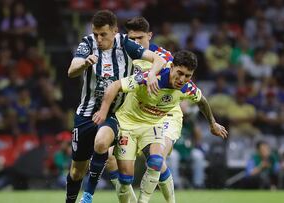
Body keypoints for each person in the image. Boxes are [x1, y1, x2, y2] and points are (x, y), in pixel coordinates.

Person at [93, 50, 228, 203]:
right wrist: (103, 111)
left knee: (157, 162)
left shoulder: (187, 88)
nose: (182, 79)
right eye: (179, 73)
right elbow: (117, 85)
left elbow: (202, 101)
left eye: (188, 75)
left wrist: (212, 123)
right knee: (125, 179)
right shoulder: (150, 79)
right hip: (129, 125)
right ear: (171, 67)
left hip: (153, 125)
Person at [66, 10, 166, 203]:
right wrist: (84, 64)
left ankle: (87, 197)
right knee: (76, 171)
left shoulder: (125, 44)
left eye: (103, 34)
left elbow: (158, 60)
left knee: (102, 143)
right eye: (96, 34)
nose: (98, 38)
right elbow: (71, 71)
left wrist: (153, 73)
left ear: (114, 31)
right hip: (85, 114)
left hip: (113, 113)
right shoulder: (87, 44)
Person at [105, 16, 176, 203]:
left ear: (150, 35)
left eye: (140, 38)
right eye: (132, 38)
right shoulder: (123, 55)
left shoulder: (165, 57)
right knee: (109, 157)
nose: (136, 42)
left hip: (163, 114)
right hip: (130, 114)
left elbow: (180, 84)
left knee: (157, 160)